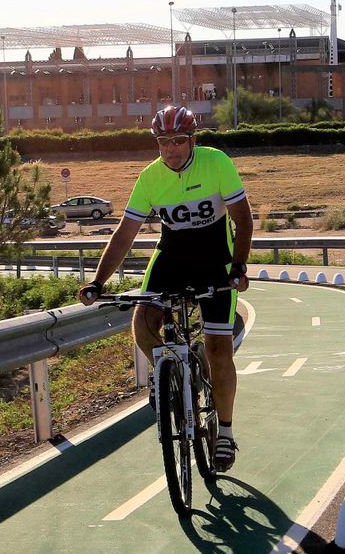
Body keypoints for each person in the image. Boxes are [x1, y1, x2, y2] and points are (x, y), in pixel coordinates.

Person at [77, 105, 252, 471]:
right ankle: (168, 370)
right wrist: (98, 281)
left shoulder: (216, 162)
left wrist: (238, 266)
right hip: (172, 257)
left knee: (219, 349)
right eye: (162, 142)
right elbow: (125, 233)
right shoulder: (149, 178)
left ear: (192, 141)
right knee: (142, 323)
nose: (170, 150)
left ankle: (226, 431)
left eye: (177, 141)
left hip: (215, 258)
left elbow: (243, 218)